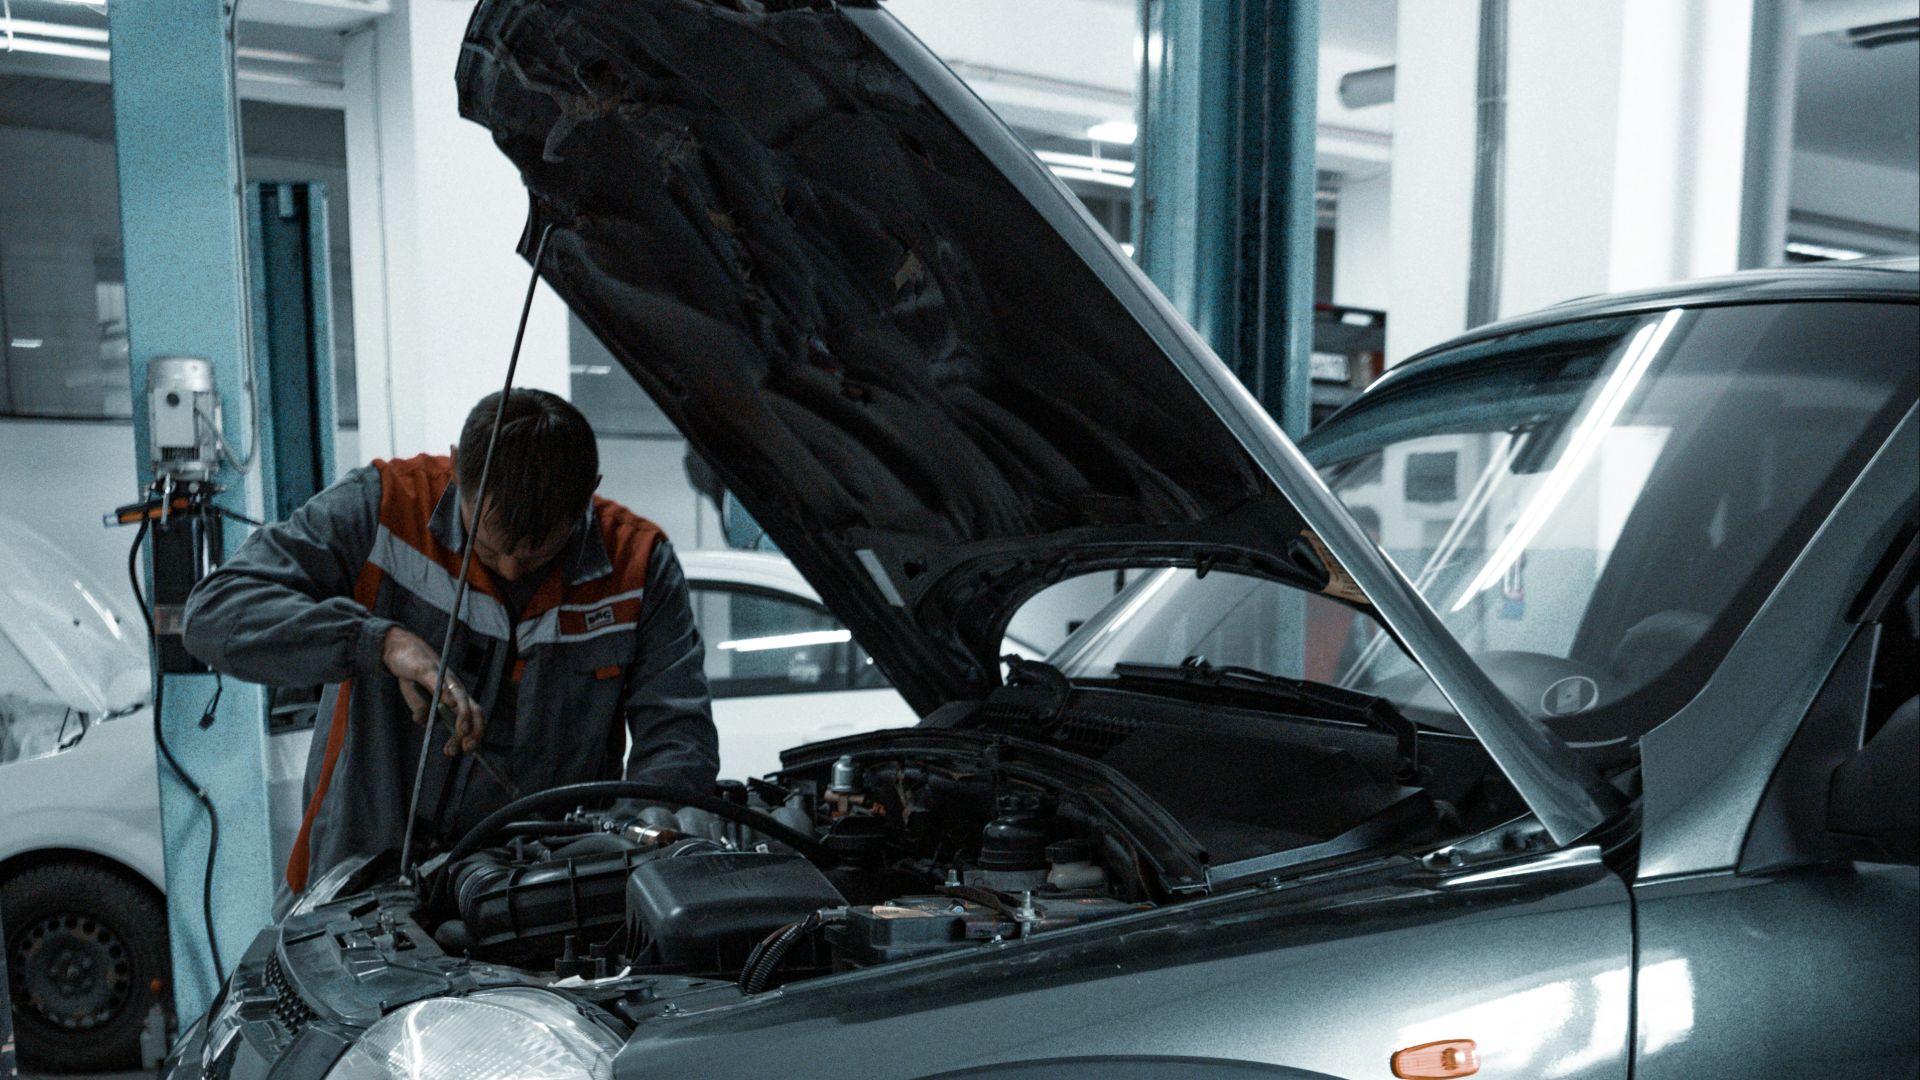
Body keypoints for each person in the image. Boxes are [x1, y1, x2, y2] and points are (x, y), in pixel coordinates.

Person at [183, 389, 718, 894]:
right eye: (492, 545)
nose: (510, 568)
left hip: (546, 898)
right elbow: (214, 612)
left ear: (590, 490)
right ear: (459, 466)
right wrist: (380, 642)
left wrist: (641, 833)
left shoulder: (638, 566)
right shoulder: (386, 508)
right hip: (356, 887)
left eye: (536, 554)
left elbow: (676, 735)